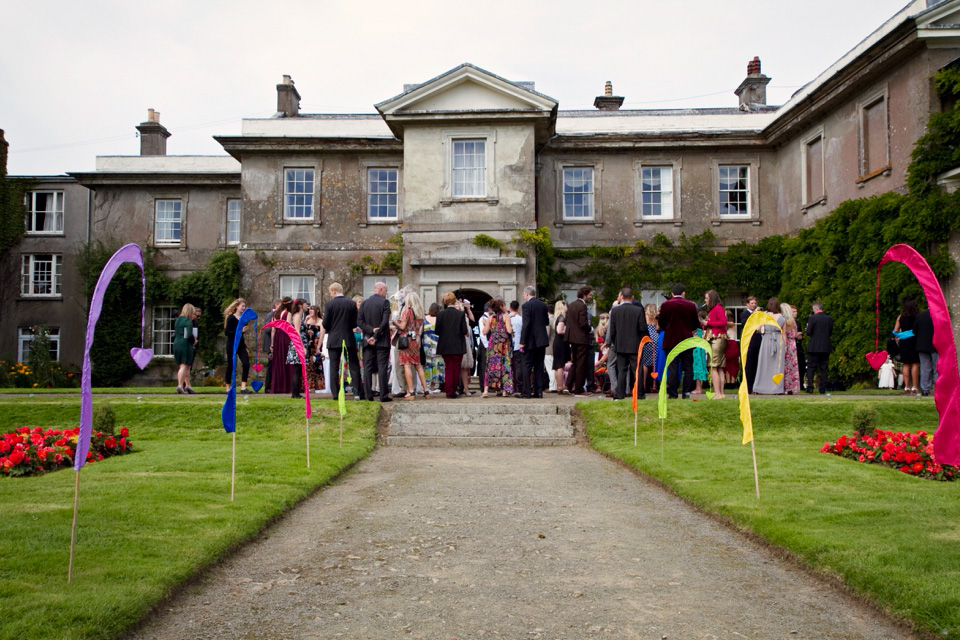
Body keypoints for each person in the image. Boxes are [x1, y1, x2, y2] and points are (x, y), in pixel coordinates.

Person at [658, 283, 699, 399]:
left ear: (672, 293)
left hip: (670, 339)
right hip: (686, 338)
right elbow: (696, 323)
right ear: (683, 293)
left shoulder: (666, 305)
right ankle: (686, 392)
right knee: (688, 367)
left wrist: (669, 328)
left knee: (673, 367)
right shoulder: (690, 305)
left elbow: (661, 322)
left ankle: (673, 393)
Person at [324, 282, 363, 401]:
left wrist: (333, 327)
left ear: (334, 291)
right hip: (348, 338)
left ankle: (336, 394)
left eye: (331, 292)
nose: (330, 295)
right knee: (354, 366)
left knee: (334, 367)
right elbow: (355, 323)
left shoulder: (330, 305)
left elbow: (325, 323)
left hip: (334, 339)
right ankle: (357, 392)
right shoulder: (351, 304)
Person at [608, 287, 646, 400]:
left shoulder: (615, 310)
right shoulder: (638, 310)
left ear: (622, 297)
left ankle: (620, 394)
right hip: (635, 345)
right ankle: (639, 394)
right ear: (633, 298)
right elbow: (643, 328)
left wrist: (615, 342)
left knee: (621, 370)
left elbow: (612, 330)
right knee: (637, 371)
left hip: (620, 345)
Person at [358, 281, 392, 402]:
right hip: (381, 340)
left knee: (367, 367)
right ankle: (383, 395)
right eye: (386, 291)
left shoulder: (365, 303)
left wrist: (371, 331)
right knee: (382, 367)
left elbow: (360, 322)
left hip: (368, 339)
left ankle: (368, 395)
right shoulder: (385, 302)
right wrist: (376, 334)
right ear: (381, 289)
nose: (386, 293)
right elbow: (384, 322)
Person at [394, 290, 429, 399]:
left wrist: (395, 322)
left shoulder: (407, 311)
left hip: (406, 340)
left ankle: (411, 392)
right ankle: (426, 390)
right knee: (418, 366)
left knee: (407, 365)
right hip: (415, 340)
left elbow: (403, 327)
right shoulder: (420, 312)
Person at [435, 292, 468, 399]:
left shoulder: (440, 314)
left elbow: (437, 331)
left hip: (445, 345)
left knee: (448, 368)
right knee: (456, 368)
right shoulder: (460, 314)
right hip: (458, 344)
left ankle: (449, 391)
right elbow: (464, 330)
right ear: (454, 301)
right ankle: (453, 390)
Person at [519, 285, 550, 399]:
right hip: (541, 340)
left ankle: (526, 392)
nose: (523, 296)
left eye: (523, 294)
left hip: (530, 340)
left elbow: (526, 324)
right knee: (539, 366)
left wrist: (522, 341)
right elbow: (546, 322)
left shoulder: (526, 306)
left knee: (526, 365)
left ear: (527, 294)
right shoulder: (543, 305)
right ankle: (538, 391)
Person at [564, 286, 594, 396]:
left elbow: (568, 321)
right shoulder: (582, 306)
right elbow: (583, 323)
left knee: (574, 362)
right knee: (581, 364)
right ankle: (579, 388)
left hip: (572, 337)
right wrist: (590, 329)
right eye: (590, 295)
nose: (590, 297)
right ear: (584, 295)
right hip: (581, 338)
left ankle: (568, 385)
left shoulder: (571, 305)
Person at [481, 298, 514, 397]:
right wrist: (511, 328)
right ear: (501, 306)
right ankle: (504, 390)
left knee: (491, 365)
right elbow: (509, 330)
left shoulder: (490, 318)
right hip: (503, 344)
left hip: (493, 342)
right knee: (504, 365)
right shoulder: (505, 316)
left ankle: (486, 390)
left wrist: (488, 326)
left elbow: (484, 332)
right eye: (504, 305)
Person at [754, 297, 785, 395]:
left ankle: (760, 387)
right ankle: (776, 388)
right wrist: (786, 346)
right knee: (778, 366)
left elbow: (758, 329)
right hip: (778, 340)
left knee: (764, 364)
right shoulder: (782, 317)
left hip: (766, 340)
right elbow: (784, 333)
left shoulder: (765, 316)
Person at [703, 290, 727, 399]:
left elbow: (723, 322)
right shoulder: (716, 308)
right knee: (719, 367)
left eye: (707, 298)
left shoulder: (718, 308)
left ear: (712, 299)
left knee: (713, 367)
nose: (705, 300)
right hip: (718, 338)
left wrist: (708, 323)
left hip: (717, 338)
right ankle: (721, 393)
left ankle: (718, 393)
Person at [805, 301, 834, 394]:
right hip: (825, 346)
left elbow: (809, 332)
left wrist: (807, 327)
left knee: (811, 367)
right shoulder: (829, 319)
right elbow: (830, 332)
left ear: (816, 309)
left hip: (814, 346)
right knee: (824, 368)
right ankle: (823, 387)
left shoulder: (812, 318)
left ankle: (810, 387)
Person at [223, 298, 251, 394]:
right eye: (242, 306)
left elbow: (242, 336)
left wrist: (245, 347)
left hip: (241, 345)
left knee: (246, 363)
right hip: (232, 344)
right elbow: (227, 333)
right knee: (231, 365)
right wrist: (240, 331)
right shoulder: (231, 318)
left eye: (245, 306)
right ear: (236, 307)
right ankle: (228, 387)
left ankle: (243, 387)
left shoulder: (244, 319)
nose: (244, 308)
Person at [894, 297, 920, 396]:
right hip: (915, 341)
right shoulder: (918, 316)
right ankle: (915, 387)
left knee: (906, 364)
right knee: (914, 364)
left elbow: (896, 330)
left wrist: (901, 336)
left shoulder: (900, 317)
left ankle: (906, 387)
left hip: (904, 342)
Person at [269, 298, 293, 394]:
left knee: (278, 361)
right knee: (286, 361)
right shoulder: (288, 313)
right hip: (285, 337)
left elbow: (273, 330)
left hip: (277, 338)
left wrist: (272, 344)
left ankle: (277, 386)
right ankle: (286, 387)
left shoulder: (275, 314)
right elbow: (287, 327)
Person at [173, 302, 197, 394]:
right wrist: (194, 340)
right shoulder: (188, 321)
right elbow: (189, 334)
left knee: (186, 365)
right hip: (185, 344)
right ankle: (180, 385)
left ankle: (188, 385)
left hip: (177, 343)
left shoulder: (178, 320)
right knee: (184, 365)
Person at [286, 299, 307, 399]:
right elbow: (297, 332)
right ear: (300, 306)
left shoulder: (298, 316)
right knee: (297, 369)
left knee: (297, 369)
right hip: (297, 344)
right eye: (305, 304)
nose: (307, 306)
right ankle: (295, 393)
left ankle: (296, 393)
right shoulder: (298, 316)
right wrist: (302, 346)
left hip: (296, 343)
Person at [740, 296, 762, 393]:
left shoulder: (758, 314)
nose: (753, 305)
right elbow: (745, 323)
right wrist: (754, 314)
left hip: (758, 341)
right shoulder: (744, 314)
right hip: (749, 342)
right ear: (747, 304)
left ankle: (756, 386)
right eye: (752, 303)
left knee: (757, 364)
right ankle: (748, 386)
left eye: (754, 303)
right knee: (749, 364)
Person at [915, 307, 937, 397]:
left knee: (925, 368)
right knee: (937, 367)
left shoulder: (920, 316)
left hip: (922, 345)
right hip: (935, 345)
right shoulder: (937, 316)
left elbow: (915, 330)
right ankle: (938, 388)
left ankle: (925, 389)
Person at [423, 303, 444, 394]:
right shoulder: (440, 319)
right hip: (437, 344)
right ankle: (433, 385)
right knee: (437, 365)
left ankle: (427, 386)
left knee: (428, 365)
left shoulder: (425, 319)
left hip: (427, 344)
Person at [304, 305, 325, 394]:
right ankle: (307, 386)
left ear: (317, 311)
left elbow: (322, 335)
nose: (310, 311)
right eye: (309, 310)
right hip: (308, 344)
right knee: (308, 366)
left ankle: (316, 386)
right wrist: (305, 320)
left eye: (312, 309)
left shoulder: (321, 321)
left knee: (316, 365)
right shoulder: (308, 320)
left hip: (316, 344)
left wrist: (318, 347)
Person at [780, 303, 801, 395]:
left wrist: (784, 345)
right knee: (793, 367)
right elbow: (795, 334)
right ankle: (793, 387)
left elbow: (784, 334)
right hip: (793, 344)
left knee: (785, 367)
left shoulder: (784, 321)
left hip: (787, 343)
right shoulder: (793, 322)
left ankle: (786, 386)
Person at [552, 300, 569, 394]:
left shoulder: (557, 317)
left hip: (557, 342)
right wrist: (568, 332)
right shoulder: (562, 318)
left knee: (557, 365)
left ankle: (559, 386)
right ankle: (560, 386)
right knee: (560, 365)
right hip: (561, 342)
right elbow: (559, 330)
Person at [642, 304, 659, 393]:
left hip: (647, 338)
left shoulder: (645, 316)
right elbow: (658, 328)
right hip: (656, 338)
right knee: (654, 362)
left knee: (645, 363)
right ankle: (654, 385)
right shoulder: (657, 317)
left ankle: (644, 384)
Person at [509, 301, 524, 396]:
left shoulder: (507, 318)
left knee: (509, 366)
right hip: (518, 345)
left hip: (509, 345)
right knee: (518, 365)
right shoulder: (521, 319)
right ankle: (519, 386)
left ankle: (510, 386)